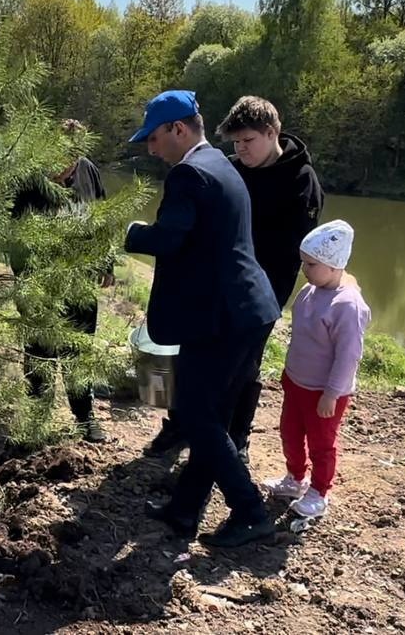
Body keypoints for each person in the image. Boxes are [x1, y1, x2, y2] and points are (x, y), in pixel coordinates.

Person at [124, 90, 281, 547]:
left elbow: (170, 240)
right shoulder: (222, 165)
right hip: (247, 310)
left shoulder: (189, 174)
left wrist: (129, 232)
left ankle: (249, 510)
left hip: (220, 317)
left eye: (154, 139)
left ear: (178, 129)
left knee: (194, 415)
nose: (151, 149)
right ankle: (185, 510)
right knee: (210, 415)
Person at [221, 97, 324, 463]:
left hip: (264, 288)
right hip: (220, 282)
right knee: (207, 354)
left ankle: (239, 435)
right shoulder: (230, 169)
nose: (240, 149)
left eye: (248, 140)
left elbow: (292, 249)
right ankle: (196, 426)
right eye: (235, 142)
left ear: (271, 133)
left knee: (246, 362)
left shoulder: (301, 181)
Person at [10, 120, 113, 443]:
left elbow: (102, 217)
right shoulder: (28, 182)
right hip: (38, 286)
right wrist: (30, 281)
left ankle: (85, 418)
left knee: (78, 353)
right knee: (38, 355)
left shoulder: (89, 171)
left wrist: (107, 262)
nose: (64, 172)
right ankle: (36, 423)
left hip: (79, 282)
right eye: (59, 161)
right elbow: (13, 237)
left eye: (71, 163)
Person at [263, 220, 371, 519]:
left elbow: (348, 356)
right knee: (290, 432)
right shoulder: (310, 291)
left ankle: (319, 492)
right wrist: (288, 373)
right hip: (297, 382)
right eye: (304, 263)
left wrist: (331, 393)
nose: (304, 270)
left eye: (311, 264)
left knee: (321, 443)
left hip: (323, 392)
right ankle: (295, 478)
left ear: (334, 264)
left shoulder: (347, 306)